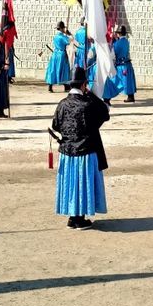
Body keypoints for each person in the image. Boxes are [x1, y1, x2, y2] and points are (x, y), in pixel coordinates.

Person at [51, 66, 110, 230]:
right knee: (82, 184)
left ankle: (73, 217)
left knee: (71, 184)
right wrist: (91, 94)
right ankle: (78, 219)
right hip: (86, 150)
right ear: (84, 85)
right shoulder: (88, 104)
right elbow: (105, 113)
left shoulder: (62, 104)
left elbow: (55, 125)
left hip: (68, 151)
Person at [45, 21, 71, 93]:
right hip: (61, 54)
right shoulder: (63, 37)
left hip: (55, 54)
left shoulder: (55, 36)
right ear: (62, 28)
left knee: (53, 69)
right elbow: (69, 41)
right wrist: (69, 34)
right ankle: (66, 86)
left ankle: (50, 86)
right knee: (64, 69)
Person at [112, 26, 136, 103]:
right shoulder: (126, 41)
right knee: (128, 81)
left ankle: (108, 96)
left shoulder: (117, 43)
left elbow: (114, 53)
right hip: (127, 63)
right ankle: (130, 96)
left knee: (118, 80)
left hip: (121, 65)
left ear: (118, 34)